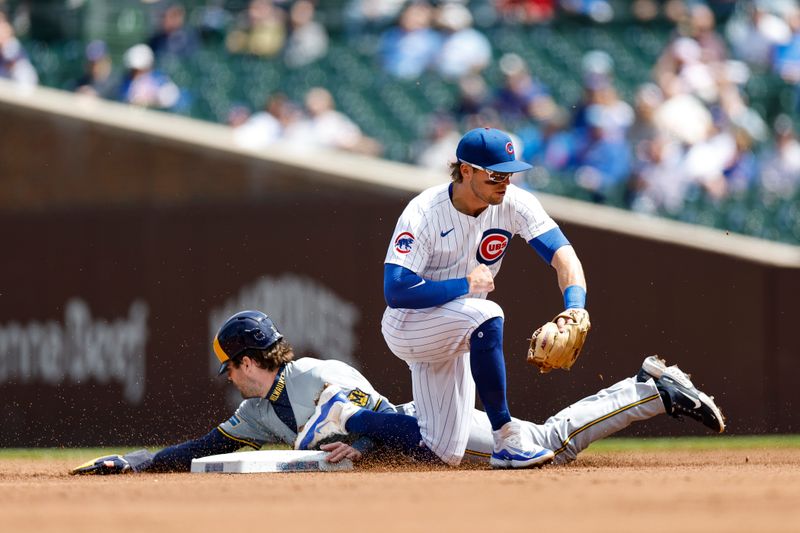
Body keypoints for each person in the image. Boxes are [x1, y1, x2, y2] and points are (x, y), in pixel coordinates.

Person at [71, 309, 725, 474]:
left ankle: (649, 388)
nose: (229, 378)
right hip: (417, 450)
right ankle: (646, 387)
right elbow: (204, 446)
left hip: (428, 426)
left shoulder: (316, 377)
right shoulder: (258, 410)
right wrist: (130, 463)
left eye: (229, 366)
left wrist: (361, 443)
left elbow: (407, 434)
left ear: (244, 360)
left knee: (547, 447)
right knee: (544, 443)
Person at [378, 127, 588, 469]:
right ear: (466, 170)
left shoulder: (513, 202)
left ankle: (346, 419)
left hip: (456, 322)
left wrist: (575, 308)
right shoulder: (424, 212)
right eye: (495, 175)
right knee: (487, 314)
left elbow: (563, 254)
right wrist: (465, 283)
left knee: (441, 452)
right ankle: (506, 438)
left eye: (509, 174)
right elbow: (396, 290)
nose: (504, 183)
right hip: (409, 324)